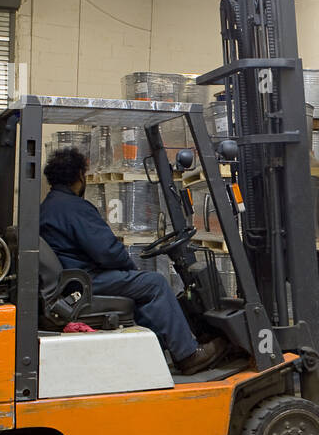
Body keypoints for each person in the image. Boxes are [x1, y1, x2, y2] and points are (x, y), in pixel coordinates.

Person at [39, 147, 223, 375]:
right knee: (154, 283)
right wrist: (130, 267)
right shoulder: (74, 207)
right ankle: (188, 355)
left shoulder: (48, 206)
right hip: (86, 281)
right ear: (78, 175)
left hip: (73, 279)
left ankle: (165, 345)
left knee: (140, 286)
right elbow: (108, 252)